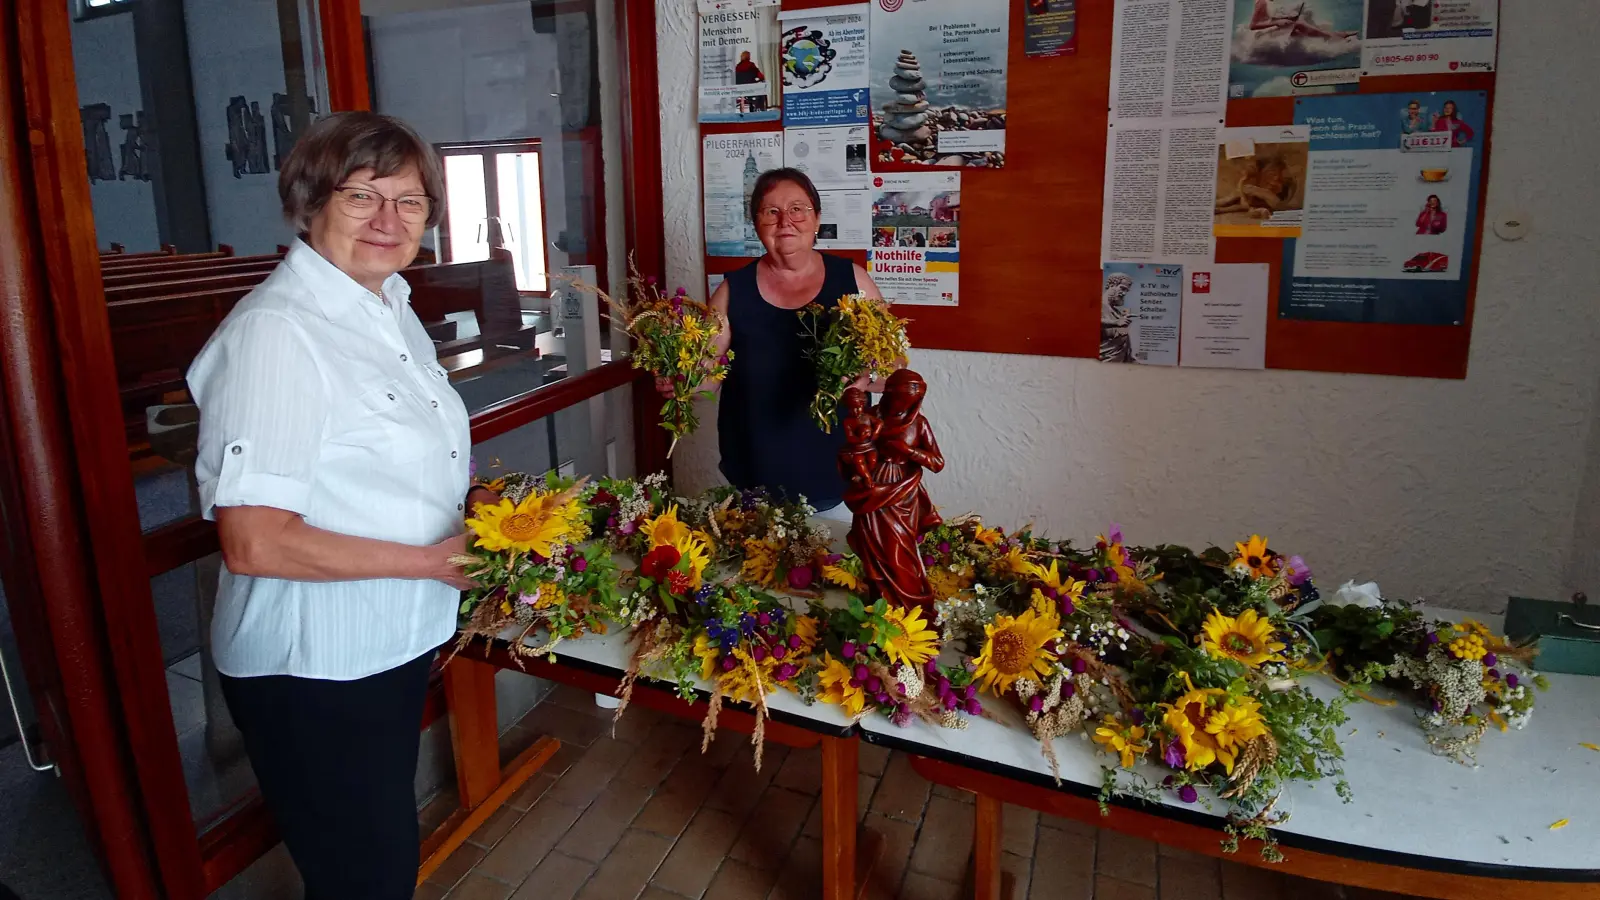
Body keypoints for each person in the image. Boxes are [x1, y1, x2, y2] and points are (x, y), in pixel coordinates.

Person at [187, 111, 493, 899]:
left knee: (376, 861)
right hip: (315, 667)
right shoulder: (278, 334)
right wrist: (430, 560)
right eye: (363, 197)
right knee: (366, 877)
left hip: (387, 640)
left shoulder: (386, 305)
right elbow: (255, 541)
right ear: (310, 202)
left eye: (411, 202)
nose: (390, 221)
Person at [658, 168, 892, 519]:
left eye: (798, 209)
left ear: (817, 218)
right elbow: (711, 372)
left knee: (839, 568)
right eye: (771, 212)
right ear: (756, 224)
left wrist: (860, 379)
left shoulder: (853, 280)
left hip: (840, 475)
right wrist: (684, 385)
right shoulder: (732, 291)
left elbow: (892, 369)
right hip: (754, 473)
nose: (786, 221)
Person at [842, 370, 945, 609]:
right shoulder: (868, 415)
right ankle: (879, 606)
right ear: (888, 394)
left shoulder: (919, 423)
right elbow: (852, 448)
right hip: (871, 487)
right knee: (871, 551)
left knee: (899, 550)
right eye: (899, 401)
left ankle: (909, 605)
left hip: (901, 493)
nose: (902, 408)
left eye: (910, 403)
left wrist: (909, 452)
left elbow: (937, 463)